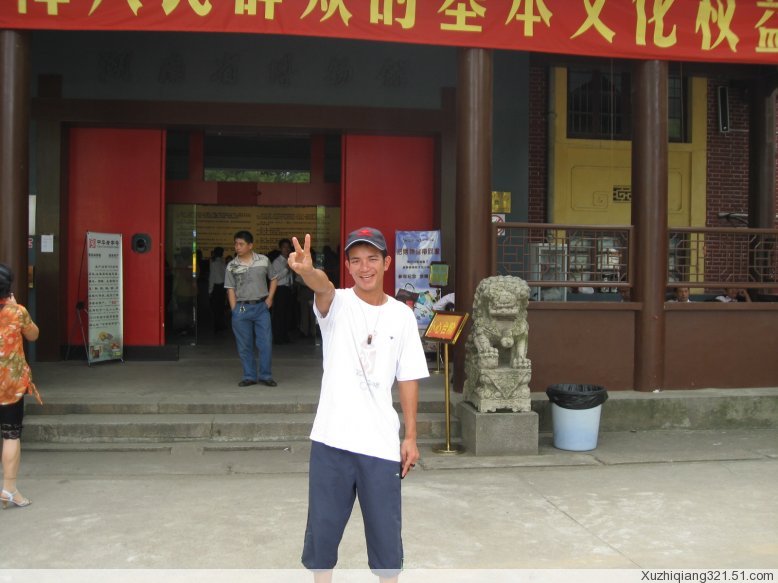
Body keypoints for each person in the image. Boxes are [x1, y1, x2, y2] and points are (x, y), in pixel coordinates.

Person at [288, 227, 428, 581]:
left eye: (372, 259)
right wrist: (307, 271)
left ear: (387, 263)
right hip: (331, 442)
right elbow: (322, 285)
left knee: (386, 544)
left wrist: (411, 436)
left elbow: (408, 378)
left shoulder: (402, 316)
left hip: (379, 446)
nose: (365, 267)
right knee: (322, 537)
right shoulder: (337, 303)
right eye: (356, 260)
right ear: (348, 266)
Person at [0, 263, 41, 509]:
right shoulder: (17, 312)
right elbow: (34, 335)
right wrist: (15, 306)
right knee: (11, 435)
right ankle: (9, 489)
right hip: (10, 385)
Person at [224, 231, 278, 387]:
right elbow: (230, 288)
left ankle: (266, 375)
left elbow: (274, 278)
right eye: (236, 244)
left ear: (250, 245)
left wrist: (270, 298)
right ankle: (249, 376)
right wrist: (234, 309)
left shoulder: (263, 260)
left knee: (265, 343)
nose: (237, 247)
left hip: (261, 307)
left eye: (241, 244)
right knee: (244, 344)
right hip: (241, 308)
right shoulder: (232, 265)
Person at [270, 238, 295, 344]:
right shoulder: (277, 262)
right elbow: (275, 277)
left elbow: (291, 276)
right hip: (280, 289)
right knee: (279, 314)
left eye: (288, 247)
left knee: (287, 314)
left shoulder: (289, 260)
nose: (287, 249)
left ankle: (284, 335)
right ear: (280, 248)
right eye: (284, 247)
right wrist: (286, 269)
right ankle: (278, 337)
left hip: (288, 289)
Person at [208, 247, 227, 332]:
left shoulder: (213, 264)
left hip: (216, 288)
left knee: (215, 308)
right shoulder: (223, 263)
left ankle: (217, 326)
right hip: (223, 287)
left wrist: (210, 290)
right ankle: (222, 324)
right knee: (221, 307)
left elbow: (212, 278)